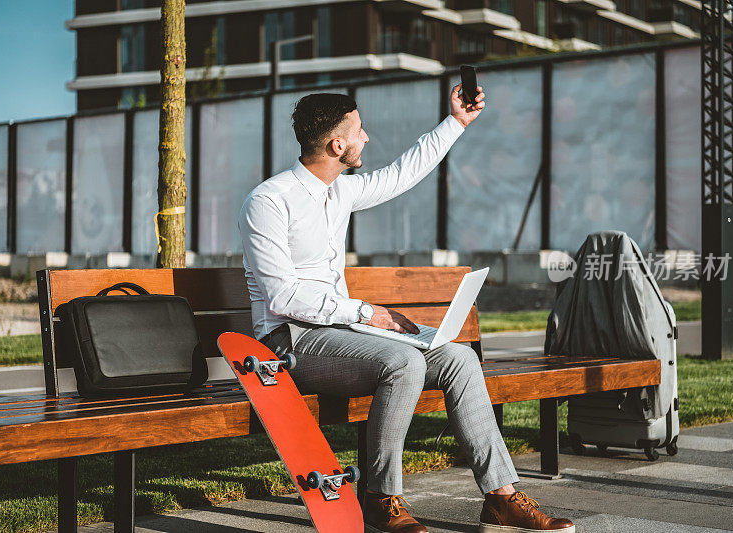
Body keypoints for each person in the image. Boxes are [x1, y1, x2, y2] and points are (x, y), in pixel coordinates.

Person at [238, 84, 574, 533]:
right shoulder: (268, 201)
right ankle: (379, 497)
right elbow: (282, 296)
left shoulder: (340, 191)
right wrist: (365, 314)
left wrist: (456, 122)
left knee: (457, 357)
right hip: (289, 342)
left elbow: (403, 173)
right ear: (337, 145)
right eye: (360, 130)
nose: (367, 138)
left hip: (340, 333)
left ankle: (501, 496)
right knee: (402, 362)